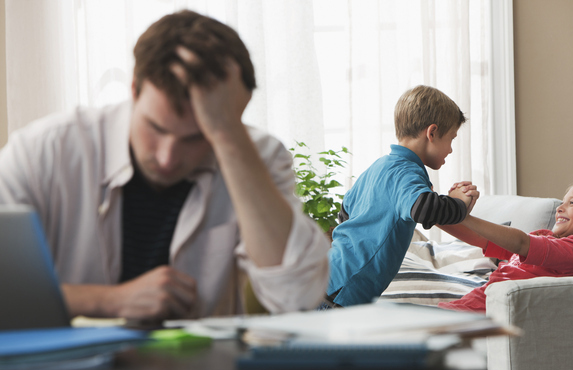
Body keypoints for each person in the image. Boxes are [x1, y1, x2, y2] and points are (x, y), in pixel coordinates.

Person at [0, 10, 330, 321]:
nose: (167, 158)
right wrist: (108, 300)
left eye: (196, 137)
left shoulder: (257, 155)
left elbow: (297, 296)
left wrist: (227, 136)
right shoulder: (43, 151)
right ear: (133, 89)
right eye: (156, 128)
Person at [324, 85, 478, 308]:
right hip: (343, 288)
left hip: (330, 277)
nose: (451, 150)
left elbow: (345, 210)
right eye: (452, 139)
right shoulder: (406, 171)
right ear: (432, 133)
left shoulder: (380, 166)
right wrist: (459, 203)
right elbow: (424, 208)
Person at [438, 177, 573, 313]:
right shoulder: (545, 236)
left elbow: (521, 242)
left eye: (572, 203)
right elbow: (479, 238)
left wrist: (464, 215)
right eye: (562, 202)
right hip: (463, 309)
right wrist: (435, 211)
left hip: (478, 318)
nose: (560, 207)